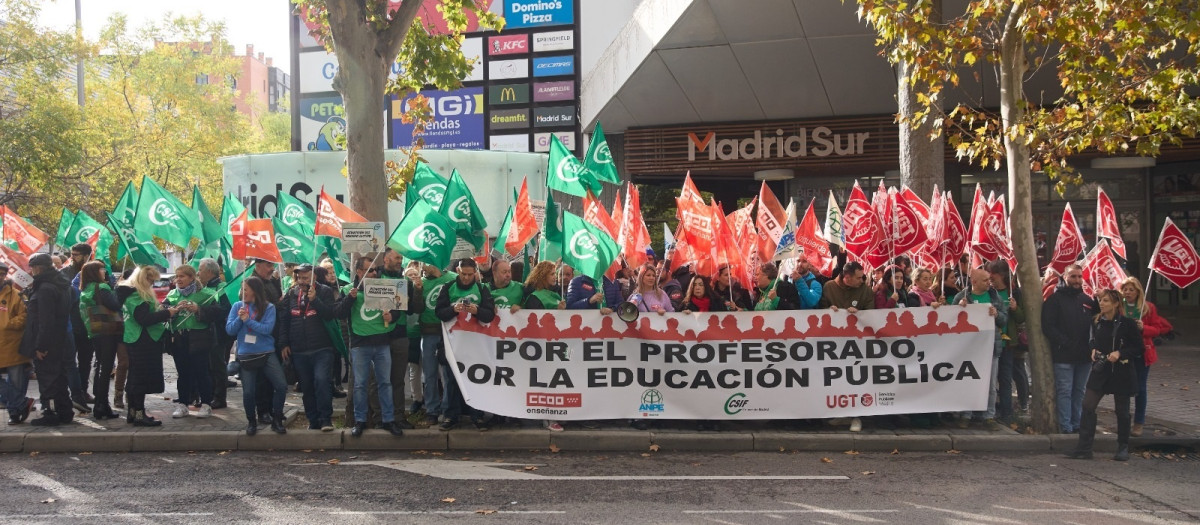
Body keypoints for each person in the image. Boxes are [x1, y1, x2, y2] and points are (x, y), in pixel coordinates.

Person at [1066, 289, 1144, 461]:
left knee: (1122, 410)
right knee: (1088, 405)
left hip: (1121, 371)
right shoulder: (1097, 321)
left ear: (1116, 304)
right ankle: (1085, 447)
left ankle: (1123, 446)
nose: (1102, 303)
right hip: (1101, 369)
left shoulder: (1127, 324)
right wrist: (1093, 348)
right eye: (1101, 300)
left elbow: (1139, 348)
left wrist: (1120, 353)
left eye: (1106, 301)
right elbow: (1092, 340)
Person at [335, 257, 408, 438]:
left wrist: (392, 317)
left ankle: (388, 420)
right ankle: (360, 421)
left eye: (376, 269)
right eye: (370, 270)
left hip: (382, 343)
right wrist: (350, 299)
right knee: (360, 385)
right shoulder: (348, 290)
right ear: (359, 272)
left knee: (385, 383)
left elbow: (398, 309)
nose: (375, 273)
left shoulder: (385, 287)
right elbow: (338, 313)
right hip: (360, 345)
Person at [435, 258, 496, 431]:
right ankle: (450, 416)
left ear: (475, 272)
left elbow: (489, 315)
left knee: (475, 381)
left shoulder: (482, 289)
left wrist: (477, 311)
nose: (467, 278)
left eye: (470, 275)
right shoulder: (447, 288)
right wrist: (453, 309)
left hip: (476, 345)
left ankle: (477, 415)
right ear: (458, 271)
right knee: (451, 381)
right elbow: (439, 313)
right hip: (452, 344)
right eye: (463, 274)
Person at [277, 264, 339, 432]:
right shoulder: (291, 293)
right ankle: (313, 420)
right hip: (299, 349)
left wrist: (314, 300)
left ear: (314, 278)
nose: (302, 282)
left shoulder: (324, 291)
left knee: (322, 381)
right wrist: (284, 344)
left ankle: (325, 418)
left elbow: (330, 314)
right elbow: (285, 321)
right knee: (307, 386)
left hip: (322, 348)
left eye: (306, 278)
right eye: (299, 278)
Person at [117, 266, 179, 427]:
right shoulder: (137, 296)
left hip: (133, 338)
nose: (152, 284)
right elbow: (144, 319)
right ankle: (139, 413)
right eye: (151, 280)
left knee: (134, 378)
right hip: (143, 340)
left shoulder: (128, 293)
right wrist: (167, 313)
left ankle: (134, 412)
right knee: (140, 379)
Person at [20, 254, 76, 426]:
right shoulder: (61, 283)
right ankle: (65, 410)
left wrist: (40, 346)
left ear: (38, 268)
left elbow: (45, 320)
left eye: (32, 267)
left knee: (47, 378)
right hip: (61, 338)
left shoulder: (45, 288)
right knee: (59, 376)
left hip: (48, 341)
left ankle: (49, 412)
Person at [1041, 264, 1098, 433]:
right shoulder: (1054, 300)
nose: (1077, 280)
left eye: (1080, 276)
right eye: (1073, 276)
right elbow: (1048, 326)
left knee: (1079, 392)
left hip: (1084, 357)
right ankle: (1065, 426)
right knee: (1065, 391)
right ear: (1064, 277)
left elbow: (1098, 323)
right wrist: (1064, 342)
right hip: (1063, 356)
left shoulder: (1087, 301)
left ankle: (1077, 424)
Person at [226, 276, 285, 435]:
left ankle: (277, 418)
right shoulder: (237, 306)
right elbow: (230, 330)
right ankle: (251, 421)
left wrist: (248, 321)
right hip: (246, 355)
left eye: (246, 289)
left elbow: (266, 329)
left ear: (255, 291)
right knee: (248, 392)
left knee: (281, 386)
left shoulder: (269, 307)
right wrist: (240, 318)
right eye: (242, 289)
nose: (242, 292)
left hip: (266, 352)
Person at [164, 265, 221, 419]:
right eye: (177, 276)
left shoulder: (206, 294)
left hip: (199, 338)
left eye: (182, 276)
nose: (178, 279)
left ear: (192, 278)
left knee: (201, 372)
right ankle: (183, 404)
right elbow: (162, 309)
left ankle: (206, 404)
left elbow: (218, 312)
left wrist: (198, 309)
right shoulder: (173, 294)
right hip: (179, 339)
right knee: (183, 373)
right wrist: (172, 310)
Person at [952, 268, 1007, 429]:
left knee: (990, 384)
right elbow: (950, 319)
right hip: (969, 348)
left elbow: (1004, 320)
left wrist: (997, 314)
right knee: (969, 382)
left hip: (990, 347)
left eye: (989, 279)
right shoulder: (961, 297)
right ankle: (966, 415)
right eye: (985, 280)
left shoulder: (994, 297)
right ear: (974, 282)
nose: (989, 282)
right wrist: (959, 309)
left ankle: (988, 416)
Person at [1120, 277, 1172, 437]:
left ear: (1138, 291)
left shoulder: (1148, 308)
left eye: (1131, 289)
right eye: (1125, 289)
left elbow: (1157, 329)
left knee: (1140, 389)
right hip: (1123, 352)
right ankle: (1123, 422)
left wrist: (1144, 328)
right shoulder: (1119, 307)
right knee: (1123, 389)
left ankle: (1139, 423)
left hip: (1142, 354)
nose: (1128, 292)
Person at [520, 261, 567, 431]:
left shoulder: (555, 295)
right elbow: (537, 323)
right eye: (552, 274)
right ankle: (547, 418)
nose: (556, 277)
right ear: (542, 276)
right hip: (542, 347)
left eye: (555, 274)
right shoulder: (535, 298)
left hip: (557, 345)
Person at [377, 249, 420, 430]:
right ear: (386, 259)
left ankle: (398, 416)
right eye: (397, 257)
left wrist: (417, 292)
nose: (399, 261)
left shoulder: (405, 282)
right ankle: (379, 416)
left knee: (397, 379)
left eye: (401, 258)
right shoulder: (375, 278)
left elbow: (412, 310)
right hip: (378, 336)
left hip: (400, 335)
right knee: (379, 379)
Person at [78, 261, 124, 420]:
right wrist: (116, 290)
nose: (104, 272)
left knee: (100, 365)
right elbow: (115, 304)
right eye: (102, 269)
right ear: (95, 272)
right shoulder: (102, 288)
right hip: (108, 330)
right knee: (106, 367)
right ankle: (102, 404)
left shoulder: (86, 289)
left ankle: (100, 402)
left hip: (95, 330)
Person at [417, 261, 455, 427]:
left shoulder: (452, 279)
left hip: (449, 332)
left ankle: (448, 410)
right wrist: (417, 291)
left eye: (427, 263)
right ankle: (432, 410)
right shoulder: (422, 283)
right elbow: (416, 309)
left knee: (448, 374)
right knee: (430, 374)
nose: (423, 267)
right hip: (428, 333)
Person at [987, 260, 1024, 424]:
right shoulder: (989, 292)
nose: (990, 278)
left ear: (1001, 275)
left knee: (1005, 379)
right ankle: (991, 411)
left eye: (992, 275)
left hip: (1007, 343)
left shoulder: (1014, 293)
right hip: (989, 342)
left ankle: (1007, 413)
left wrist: (1016, 309)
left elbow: (1021, 318)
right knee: (990, 379)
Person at [249, 258, 283, 427]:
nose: (272, 268)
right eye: (269, 265)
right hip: (260, 338)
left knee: (272, 379)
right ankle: (262, 411)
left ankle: (271, 409)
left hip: (273, 336)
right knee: (261, 378)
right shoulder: (253, 284)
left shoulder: (269, 282)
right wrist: (280, 305)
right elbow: (261, 308)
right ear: (258, 266)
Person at [197, 258, 233, 409]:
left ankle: (219, 397)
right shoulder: (203, 287)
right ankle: (208, 396)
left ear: (209, 272)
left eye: (200, 269)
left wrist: (203, 311)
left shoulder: (221, 287)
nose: (198, 273)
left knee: (217, 366)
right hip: (205, 333)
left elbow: (225, 309)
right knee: (207, 366)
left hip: (218, 333)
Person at [0, 262, 33, 424]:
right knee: (11, 385)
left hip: (12, 345)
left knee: (16, 381)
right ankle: (20, 404)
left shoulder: (16, 295)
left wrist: (8, 324)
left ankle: (14, 412)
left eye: (1, 274)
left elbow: (26, 316)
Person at [62, 243, 95, 405]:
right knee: (68, 361)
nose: (72, 257)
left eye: (76, 255)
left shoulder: (95, 272)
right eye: (72, 254)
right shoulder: (65, 273)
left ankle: (83, 391)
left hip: (89, 324)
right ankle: (71, 393)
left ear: (86, 255)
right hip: (70, 324)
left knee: (86, 360)